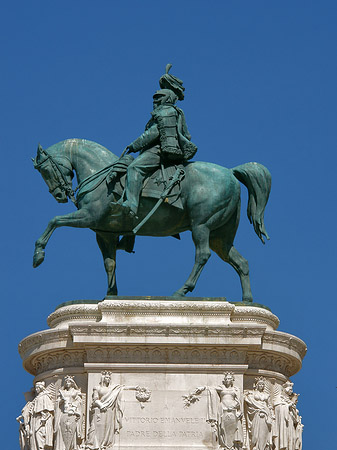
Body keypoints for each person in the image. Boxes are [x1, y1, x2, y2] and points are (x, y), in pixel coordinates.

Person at [120, 64, 197, 217]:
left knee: (134, 168)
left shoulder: (165, 112)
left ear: (166, 98)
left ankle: (131, 205)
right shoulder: (176, 112)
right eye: (155, 99)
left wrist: (134, 145)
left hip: (158, 151)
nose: (155, 102)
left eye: (158, 99)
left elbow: (153, 133)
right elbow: (187, 135)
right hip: (163, 149)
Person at [85, 372, 139, 450]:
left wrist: (134, 387)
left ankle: (104, 445)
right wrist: (101, 405)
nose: (108, 379)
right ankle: (92, 444)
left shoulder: (113, 388)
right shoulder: (97, 388)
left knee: (107, 430)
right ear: (103, 378)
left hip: (109, 411)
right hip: (99, 411)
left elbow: (123, 388)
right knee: (94, 428)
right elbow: (95, 400)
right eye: (107, 377)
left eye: (109, 378)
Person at [195, 372, 244, 449]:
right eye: (226, 379)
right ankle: (223, 443)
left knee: (233, 428)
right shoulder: (221, 388)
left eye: (229, 379)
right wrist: (203, 387)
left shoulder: (236, 389)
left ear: (232, 380)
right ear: (224, 380)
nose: (228, 380)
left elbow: (239, 401)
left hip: (233, 410)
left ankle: (232, 445)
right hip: (222, 408)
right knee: (222, 427)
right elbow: (211, 388)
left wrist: (237, 409)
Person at [244, 377, 274, 450]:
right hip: (256, 414)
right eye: (260, 384)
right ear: (257, 385)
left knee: (264, 433)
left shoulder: (267, 395)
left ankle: (263, 447)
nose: (261, 386)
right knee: (255, 434)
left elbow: (269, 406)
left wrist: (272, 414)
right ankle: (254, 446)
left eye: (262, 385)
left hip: (266, 415)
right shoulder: (253, 393)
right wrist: (245, 396)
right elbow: (249, 402)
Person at [54, 376, 82, 450]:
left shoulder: (76, 392)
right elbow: (57, 403)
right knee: (62, 428)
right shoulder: (62, 392)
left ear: (72, 383)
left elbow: (79, 401)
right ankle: (61, 446)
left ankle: (74, 446)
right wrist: (61, 401)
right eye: (66, 382)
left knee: (73, 429)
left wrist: (73, 407)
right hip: (63, 413)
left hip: (72, 413)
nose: (67, 383)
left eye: (69, 382)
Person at [30, 381, 54, 450]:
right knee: (36, 434)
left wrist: (44, 417)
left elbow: (48, 410)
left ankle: (42, 447)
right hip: (37, 419)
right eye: (36, 388)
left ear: (41, 388)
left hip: (42, 420)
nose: (36, 389)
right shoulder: (37, 397)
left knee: (39, 433)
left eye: (38, 387)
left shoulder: (45, 396)